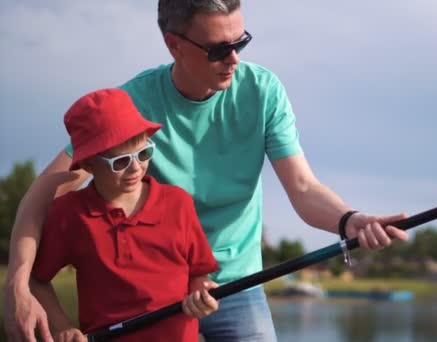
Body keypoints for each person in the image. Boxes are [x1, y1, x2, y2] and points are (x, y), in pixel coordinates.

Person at [3, 1, 409, 341]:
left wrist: (349, 221)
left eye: (241, 42)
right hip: (156, 292)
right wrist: (17, 286)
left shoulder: (263, 91)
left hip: (237, 283)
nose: (234, 58)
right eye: (218, 49)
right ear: (173, 45)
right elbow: (45, 194)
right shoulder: (131, 104)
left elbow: (302, 189)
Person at [28, 88, 220, 342]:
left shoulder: (178, 203)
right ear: (88, 165)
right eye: (120, 162)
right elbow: (36, 280)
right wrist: (62, 326)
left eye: (143, 153)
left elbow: (199, 274)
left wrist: (202, 295)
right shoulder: (70, 214)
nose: (135, 168)